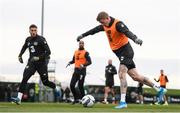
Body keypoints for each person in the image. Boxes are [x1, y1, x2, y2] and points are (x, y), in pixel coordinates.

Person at [76, 11, 167, 109]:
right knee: (136, 77)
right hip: (120, 54)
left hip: (126, 51)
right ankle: (159, 89)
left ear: (107, 18)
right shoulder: (104, 25)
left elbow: (127, 32)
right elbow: (93, 30)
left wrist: (136, 39)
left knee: (121, 73)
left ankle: (123, 102)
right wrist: (82, 35)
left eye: (103, 22)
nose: (102, 25)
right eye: (101, 23)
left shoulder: (118, 24)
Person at [11, 24, 57, 105]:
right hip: (31, 63)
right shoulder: (28, 39)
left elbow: (48, 52)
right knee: (25, 78)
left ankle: (54, 87)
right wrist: (20, 55)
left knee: (45, 82)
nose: (33, 32)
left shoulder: (41, 39)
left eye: (35, 30)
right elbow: (24, 47)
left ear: (37, 31)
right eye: (32, 30)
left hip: (41, 64)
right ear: (29, 31)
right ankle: (19, 99)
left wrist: (39, 58)